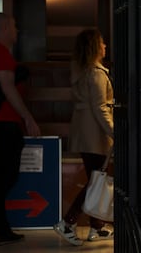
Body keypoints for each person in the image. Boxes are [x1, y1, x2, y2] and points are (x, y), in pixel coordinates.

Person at [53, 29, 114, 246]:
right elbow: (100, 108)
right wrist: (113, 132)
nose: (105, 46)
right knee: (95, 181)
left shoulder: (81, 72)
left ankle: (96, 227)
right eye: (103, 43)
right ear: (95, 47)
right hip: (95, 135)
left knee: (94, 178)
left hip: (83, 132)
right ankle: (67, 222)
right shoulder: (96, 74)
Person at [0, 13, 41, 246]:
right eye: (13, 26)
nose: (17, 31)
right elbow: (7, 88)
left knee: (2, 177)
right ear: (3, 28)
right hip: (4, 124)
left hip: (2, 124)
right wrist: (28, 117)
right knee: (4, 177)